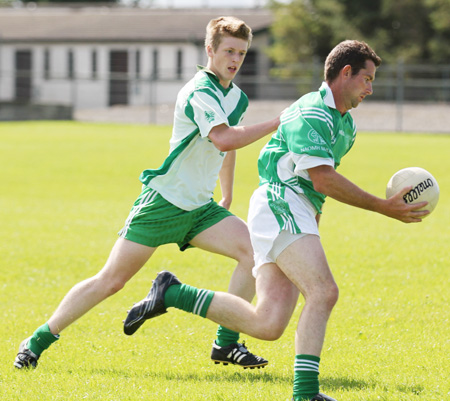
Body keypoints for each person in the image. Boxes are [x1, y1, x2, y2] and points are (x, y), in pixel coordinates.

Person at [123, 40, 430, 401]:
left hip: (293, 210)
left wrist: (313, 223)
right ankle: (305, 394)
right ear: (345, 73)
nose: (370, 88)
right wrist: (383, 206)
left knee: (267, 323)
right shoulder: (312, 113)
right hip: (279, 204)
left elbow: (316, 188)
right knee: (324, 292)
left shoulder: (344, 124)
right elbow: (322, 178)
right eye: (366, 79)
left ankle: (173, 293)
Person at [14, 16, 281, 370]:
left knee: (255, 252)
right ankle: (36, 341)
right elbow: (224, 137)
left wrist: (226, 195)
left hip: (200, 209)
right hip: (163, 204)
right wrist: (279, 120)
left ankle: (225, 343)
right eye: (229, 50)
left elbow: (228, 146)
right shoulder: (199, 91)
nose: (235, 59)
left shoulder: (235, 96)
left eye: (242, 53)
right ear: (210, 51)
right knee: (111, 281)